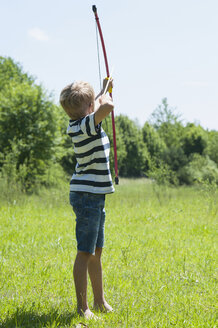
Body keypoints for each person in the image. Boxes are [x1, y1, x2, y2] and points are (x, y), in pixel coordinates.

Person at [59, 79, 115, 319]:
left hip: (95, 196)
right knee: (85, 251)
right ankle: (83, 307)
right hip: (87, 196)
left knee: (96, 251)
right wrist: (106, 98)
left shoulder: (82, 123)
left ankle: (99, 301)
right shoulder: (84, 125)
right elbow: (106, 108)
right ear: (90, 107)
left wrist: (104, 90)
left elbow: (99, 106)